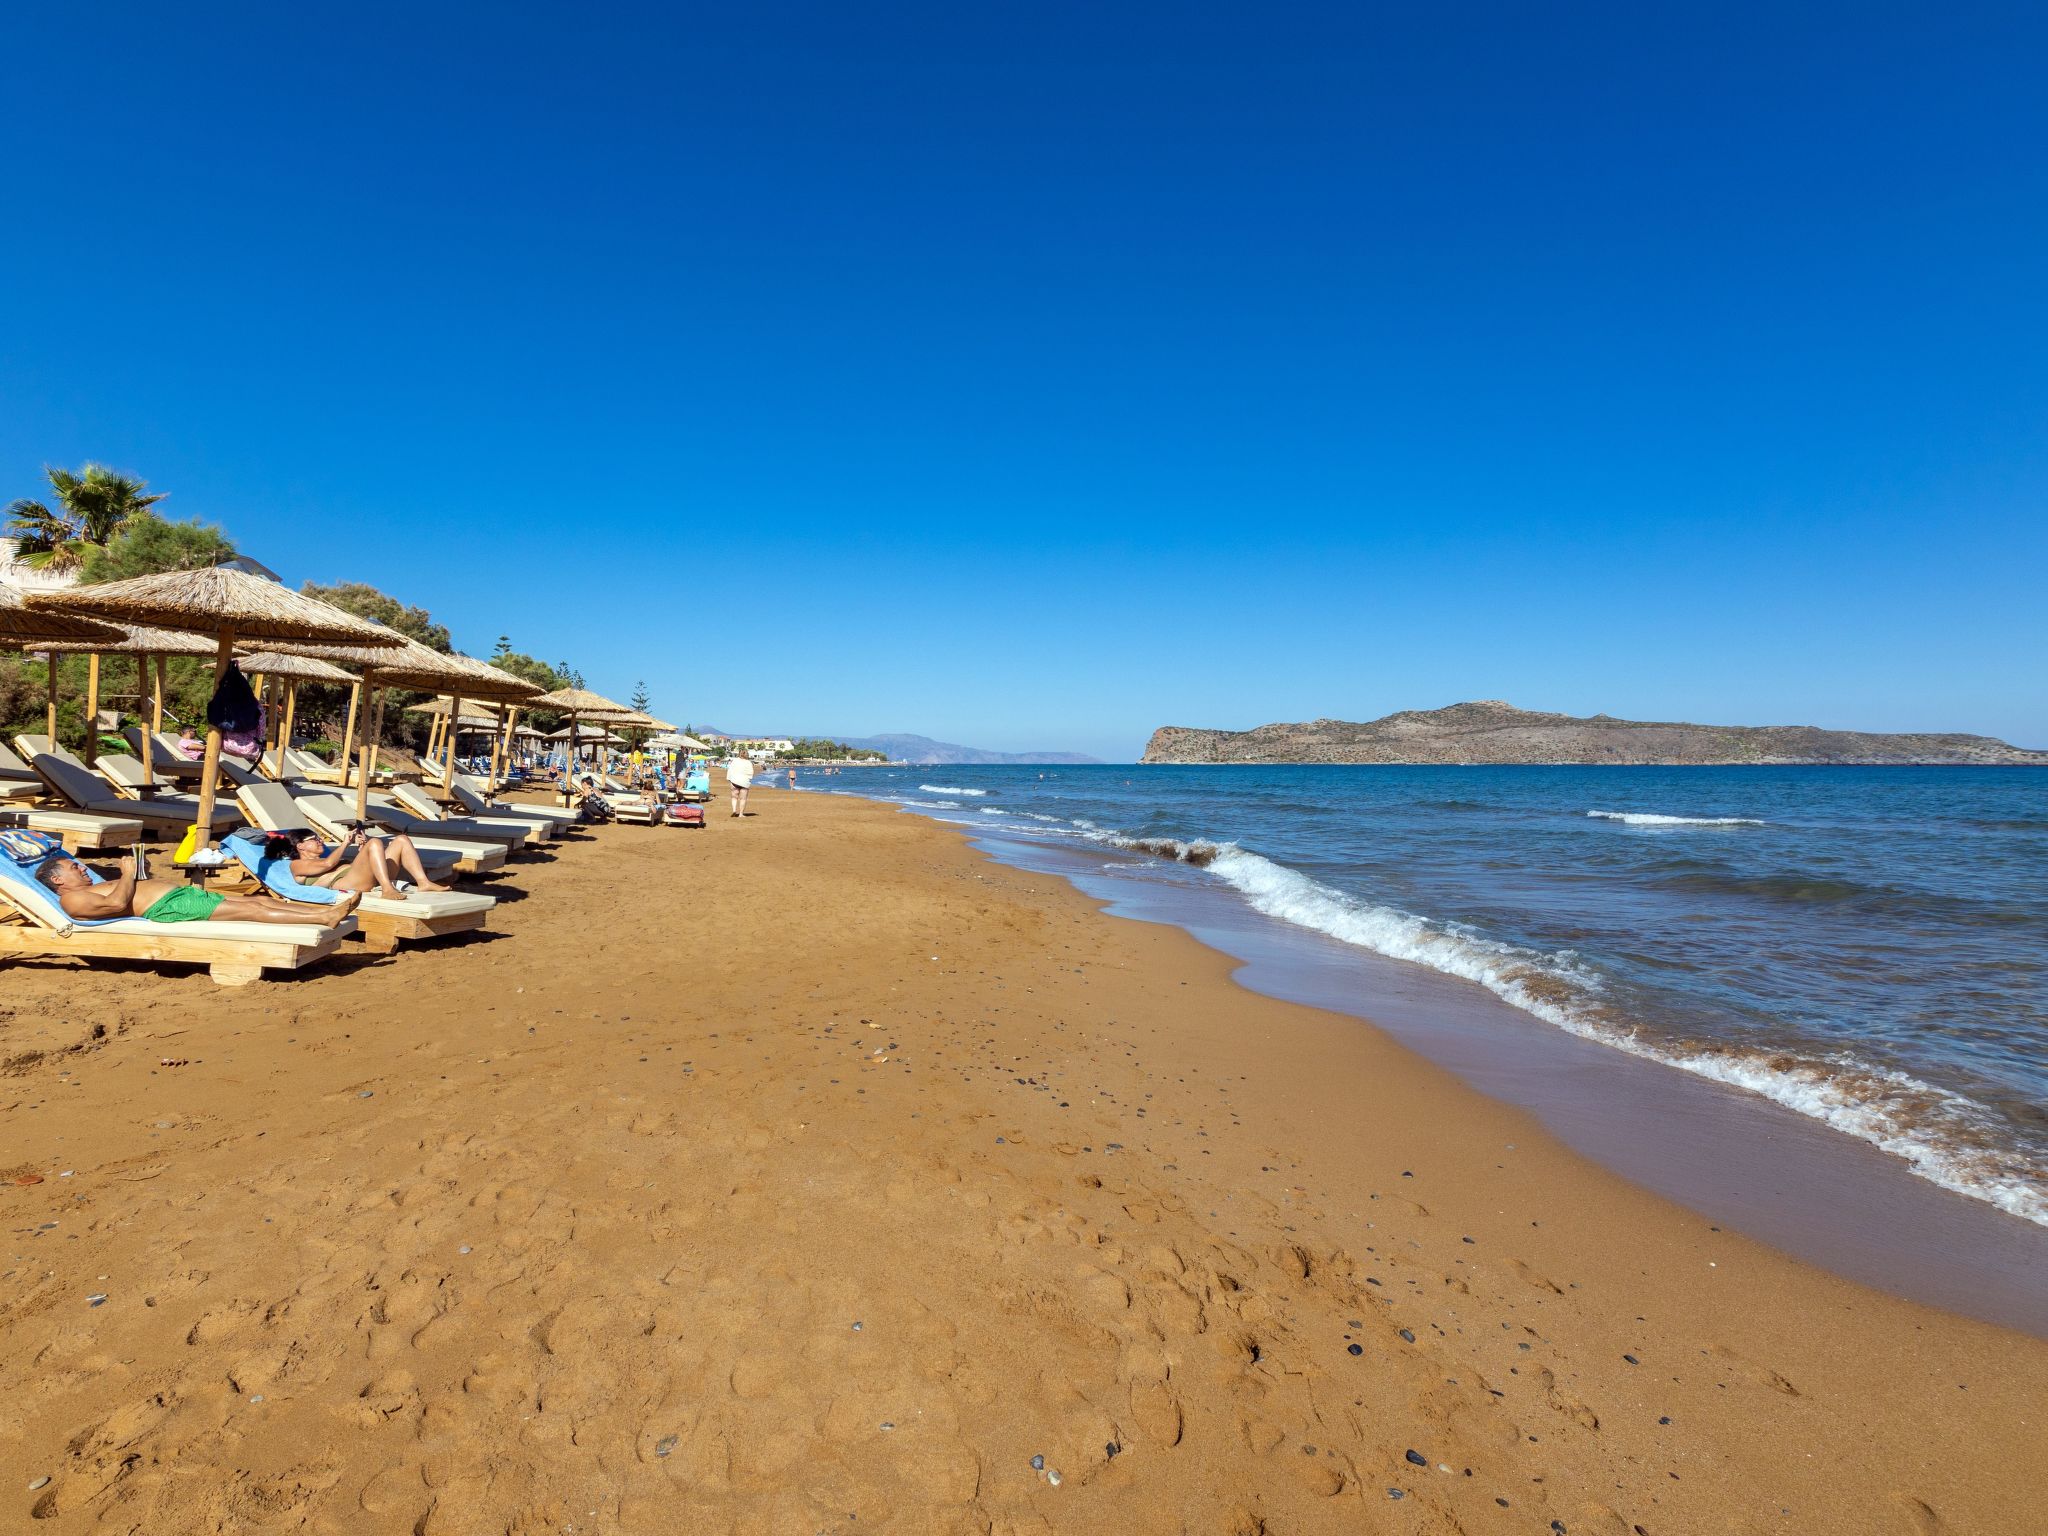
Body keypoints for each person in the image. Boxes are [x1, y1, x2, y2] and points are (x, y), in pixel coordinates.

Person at [37, 854, 358, 928]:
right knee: (253, 910)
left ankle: (323, 912)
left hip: (180, 897)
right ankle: (326, 917)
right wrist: (128, 873)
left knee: (258, 899)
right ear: (58, 881)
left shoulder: (86, 887)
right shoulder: (72, 899)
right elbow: (119, 902)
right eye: (73, 868)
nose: (81, 867)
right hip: (169, 908)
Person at [286, 827, 451, 899]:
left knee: (401, 839)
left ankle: (423, 882)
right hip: (346, 883)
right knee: (375, 842)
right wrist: (345, 843)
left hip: (360, 876)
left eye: (319, 837)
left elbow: (338, 864)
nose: (320, 840)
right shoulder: (296, 864)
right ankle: (387, 888)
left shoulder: (327, 857)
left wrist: (364, 851)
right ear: (299, 845)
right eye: (314, 839)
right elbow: (327, 865)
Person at [726, 751, 755, 817]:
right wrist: (749, 779)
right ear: (747, 755)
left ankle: (734, 810)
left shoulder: (735, 761)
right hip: (744, 782)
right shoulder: (748, 762)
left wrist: (729, 779)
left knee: (734, 797)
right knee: (743, 799)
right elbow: (751, 773)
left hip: (734, 781)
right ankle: (741, 814)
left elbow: (730, 770)